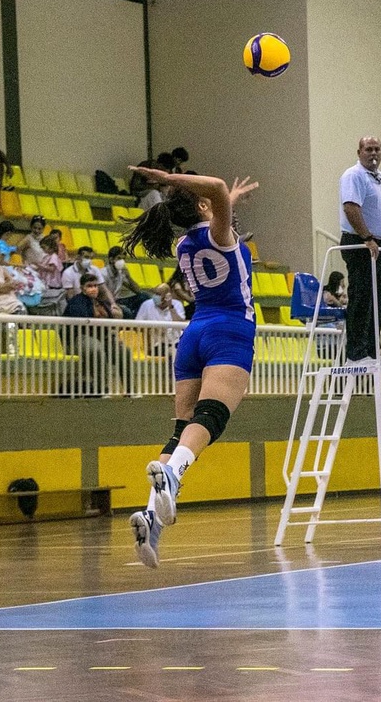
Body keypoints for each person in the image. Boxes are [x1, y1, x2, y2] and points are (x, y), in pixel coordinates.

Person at [121, 165, 259, 568]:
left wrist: (225, 200)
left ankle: (150, 518)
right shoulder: (219, 234)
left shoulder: (185, 244)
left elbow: (214, 200)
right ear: (204, 206)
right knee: (211, 419)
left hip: (192, 336)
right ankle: (174, 475)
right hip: (229, 331)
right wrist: (170, 177)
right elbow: (215, 188)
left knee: (182, 430)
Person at [338, 137, 381, 364]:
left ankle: (372, 352)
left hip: (379, 244)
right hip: (360, 244)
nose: (373, 153)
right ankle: (356, 354)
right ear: (359, 152)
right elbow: (350, 207)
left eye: (377, 149)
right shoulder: (353, 175)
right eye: (369, 149)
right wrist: (367, 237)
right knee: (362, 298)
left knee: (378, 300)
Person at [136, 283, 186, 356]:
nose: (155, 296)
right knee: (174, 352)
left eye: (158, 294)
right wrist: (152, 329)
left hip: (175, 342)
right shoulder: (146, 304)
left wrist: (171, 307)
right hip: (156, 345)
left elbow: (180, 324)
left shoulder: (177, 304)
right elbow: (137, 326)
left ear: (167, 296)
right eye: (155, 293)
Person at [103, 246, 147, 318]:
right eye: (119, 258)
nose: (122, 261)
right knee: (127, 312)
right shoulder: (103, 273)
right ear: (111, 259)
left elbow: (138, 291)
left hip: (118, 300)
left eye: (123, 259)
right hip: (107, 301)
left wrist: (128, 277)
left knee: (144, 297)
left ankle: (138, 321)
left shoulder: (121, 273)